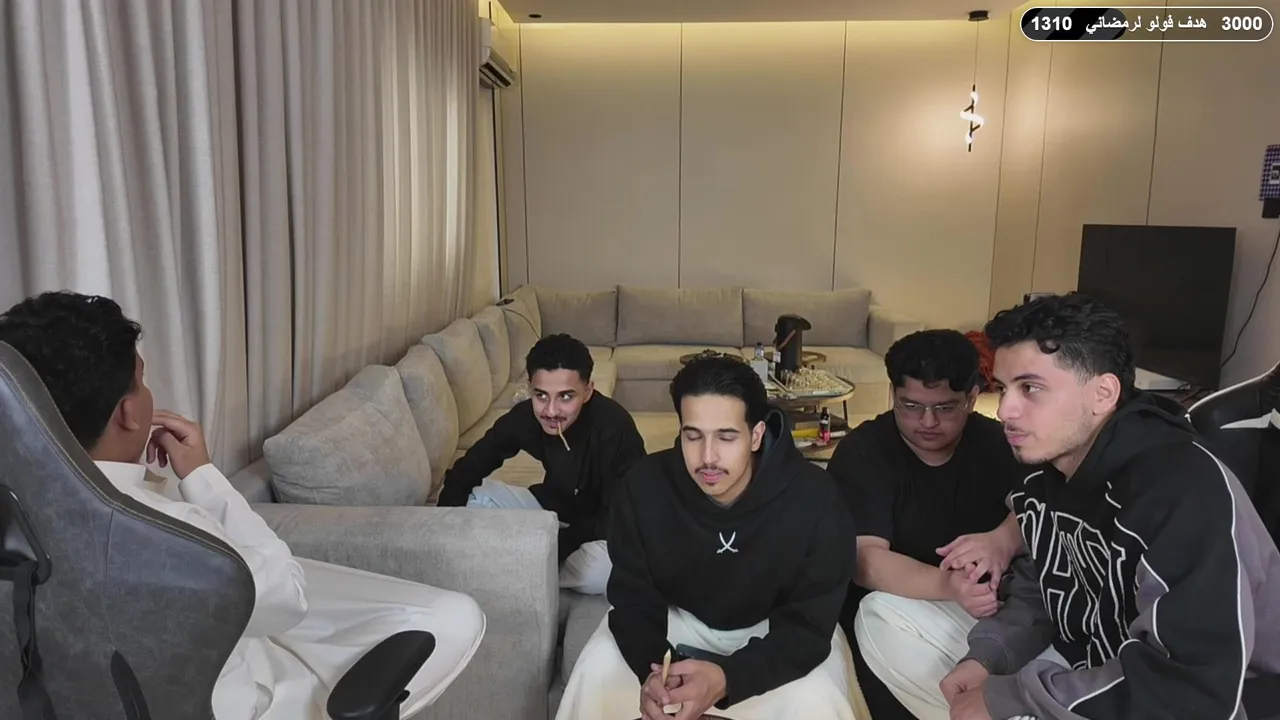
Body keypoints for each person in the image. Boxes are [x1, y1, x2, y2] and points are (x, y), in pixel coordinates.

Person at [0, 291, 486, 720]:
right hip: (247, 699)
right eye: (142, 383)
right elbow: (289, 596)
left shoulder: (17, 514)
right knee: (456, 616)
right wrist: (203, 477)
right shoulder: (169, 534)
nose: (148, 396)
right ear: (128, 412)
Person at [868, 292, 1280, 720]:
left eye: (1030, 388)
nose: (1005, 410)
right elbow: (1047, 585)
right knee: (883, 616)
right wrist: (989, 657)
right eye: (1003, 388)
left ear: (1103, 393)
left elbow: (1188, 690)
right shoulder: (1045, 468)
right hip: (1094, 664)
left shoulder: (1183, 491)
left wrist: (1010, 697)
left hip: (1206, 703)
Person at [553, 355, 865, 720]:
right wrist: (655, 675)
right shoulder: (643, 486)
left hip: (777, 630)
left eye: (726, 437)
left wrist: (728, 678)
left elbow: (809, 626)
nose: (708, 457)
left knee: (818, 699)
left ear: (756, 435)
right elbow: (633, 600)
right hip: (676, 618)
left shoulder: (816, 497)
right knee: (596, 671)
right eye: (693, 436)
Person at [827, 329, 1030, 720]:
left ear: (972, 398)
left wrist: (1003, 539)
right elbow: (866, 562)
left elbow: (1042, 507)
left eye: (946, 408)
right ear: (893, 394)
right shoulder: (864, 452)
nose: (928, 421)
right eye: (911, 406)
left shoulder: (999, 443)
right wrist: (947, 585)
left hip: (983, 609)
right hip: (890, 610)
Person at [437, 333, 646, 595]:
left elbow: (621, 516)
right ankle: (522, 562)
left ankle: (517, 564)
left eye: (566, 397)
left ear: (588, 391)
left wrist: (551, 546)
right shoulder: (526, 417)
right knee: (476, 497)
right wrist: (442, 529)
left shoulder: (615, 428)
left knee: (603, 572)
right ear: (530, 388)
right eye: (541, 395)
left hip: (602, 528)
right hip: (550, 511)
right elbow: (470, 466)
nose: (551, 411)